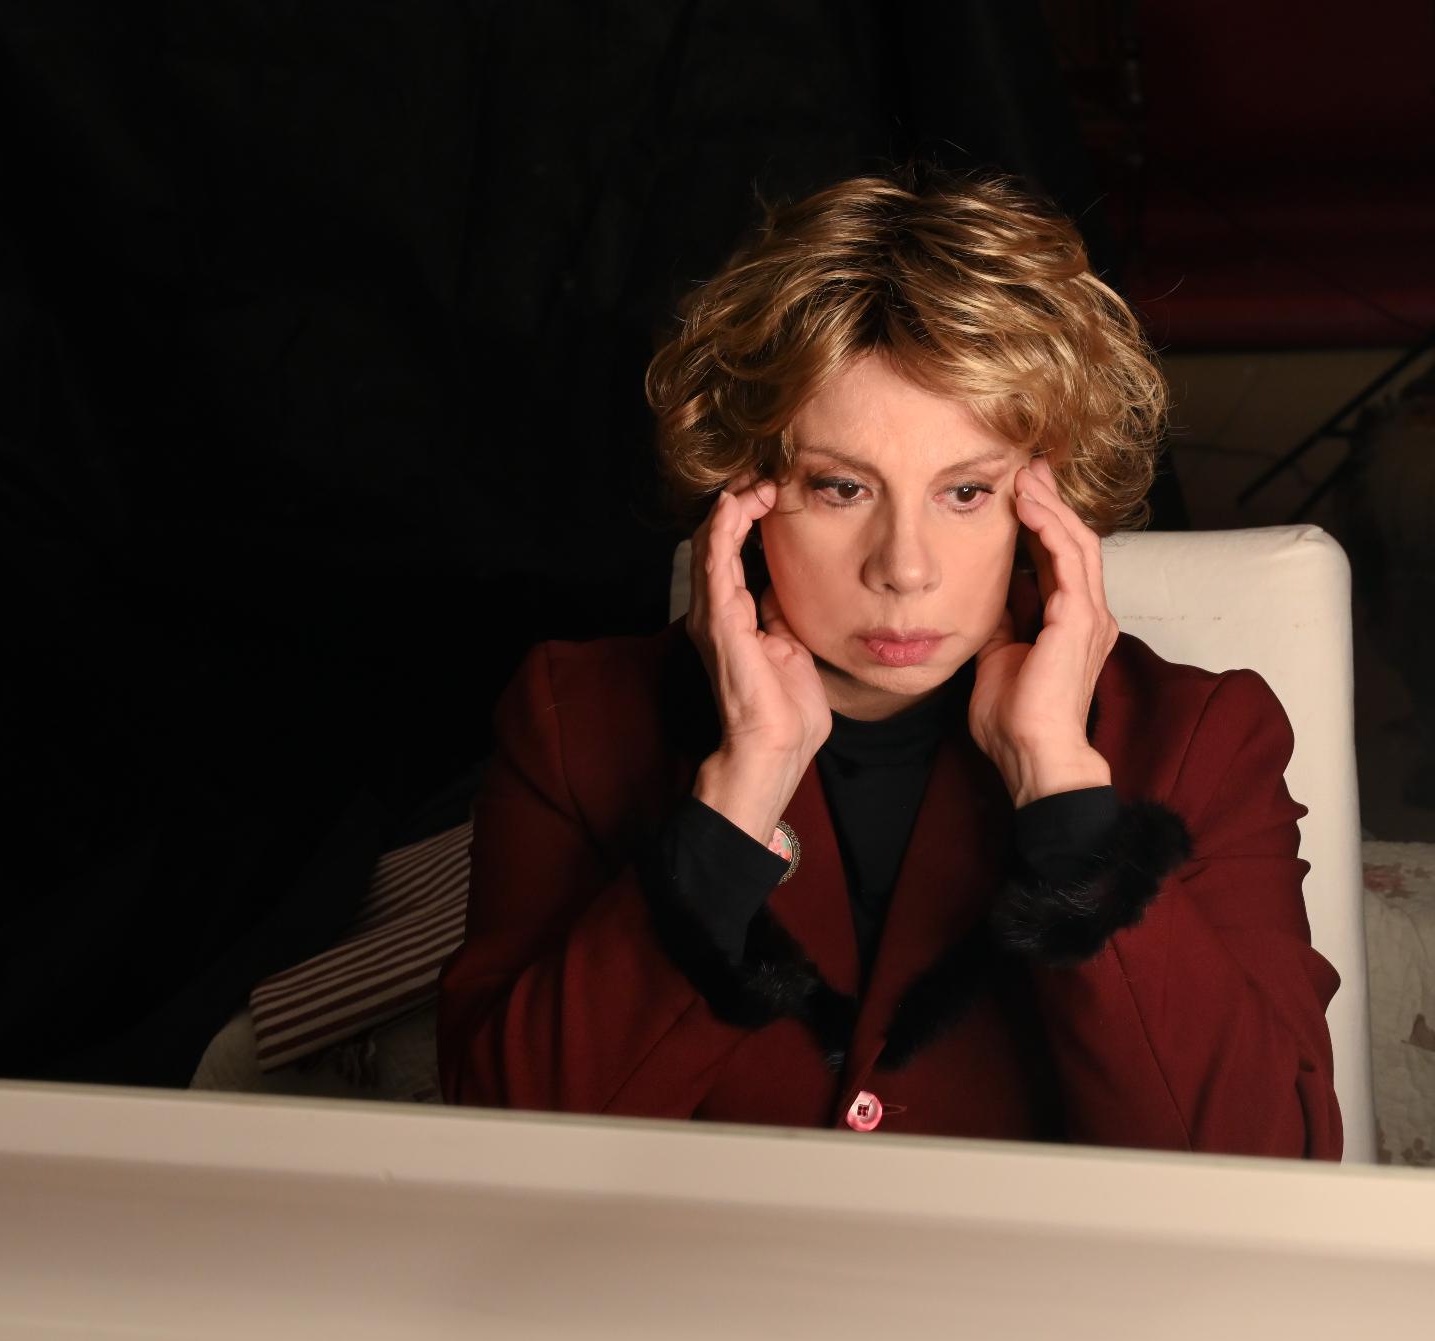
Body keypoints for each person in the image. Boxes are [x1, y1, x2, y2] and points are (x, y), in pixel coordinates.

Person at [434, 166, 1344, 1159]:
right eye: (841, 488)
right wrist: (736, 806)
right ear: (746, 489)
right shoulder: (574, 719)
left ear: (1045, 502)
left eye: (965, 492)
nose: (904, 569)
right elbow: (496, 1154)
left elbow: (1271, 1169)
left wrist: (1064, 796)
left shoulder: (1203, 738)